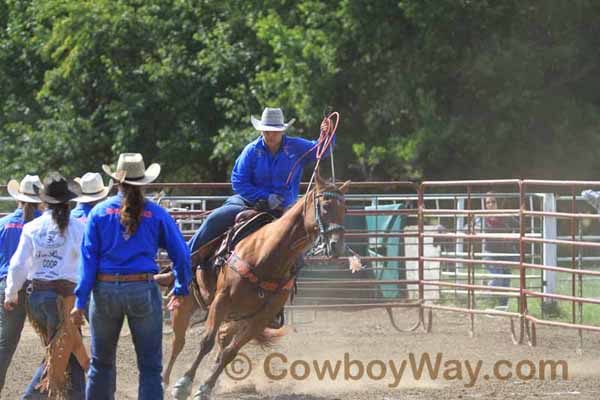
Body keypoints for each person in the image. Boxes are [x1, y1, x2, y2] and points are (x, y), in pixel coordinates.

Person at [71, 153, 191, 400]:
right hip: (142, 290)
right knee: (149, 367)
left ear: (116, 182)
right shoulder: (156, 214)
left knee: (101, 364)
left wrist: (80, 302)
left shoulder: (99, 213)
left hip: (104, 291)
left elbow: (88, 260)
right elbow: (181, 253)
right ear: (144, 183)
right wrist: (180, 287)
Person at [188, 107, 333, 295]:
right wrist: (263, 197)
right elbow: (238, 181)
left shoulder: (295, 147)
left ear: (282, 131)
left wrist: (327, 133)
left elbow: (322, 150)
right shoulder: (252, 150)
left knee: (297, 247)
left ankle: (280, 293)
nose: (270, 135)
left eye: (274, 131)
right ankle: (184, 262)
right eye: (267, 131)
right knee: (216, 219)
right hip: (248, 202)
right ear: (261, 131)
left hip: (284, 209)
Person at [4, 172, 87, 399]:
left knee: (66, 354)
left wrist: (11, 294)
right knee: (59, 355)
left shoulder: (32, 228)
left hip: (37, 299)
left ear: (45, 201)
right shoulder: (78, 228)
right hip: (64, 301)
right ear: (68, 201)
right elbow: (87, 263)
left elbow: (18, 264)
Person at [0, 175, 42, 395]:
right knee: (57, 341)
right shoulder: (45, 223)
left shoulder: (4, 224)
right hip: (39, 287)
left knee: (5, 344)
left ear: (18, 199)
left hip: (7, 286)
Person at [476, 192, 519, 311]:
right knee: (498, 277)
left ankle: (502, 307)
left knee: (505, 279)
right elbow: (471, 228)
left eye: (493, 202)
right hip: (490, 253)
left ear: (498, 203)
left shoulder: (506, 216)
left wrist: (512, 236)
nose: (490, 205)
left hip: (506, 252)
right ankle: (486, 294)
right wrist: (474, 231)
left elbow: (519, 226)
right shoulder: (482, 217)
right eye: (488, 202)